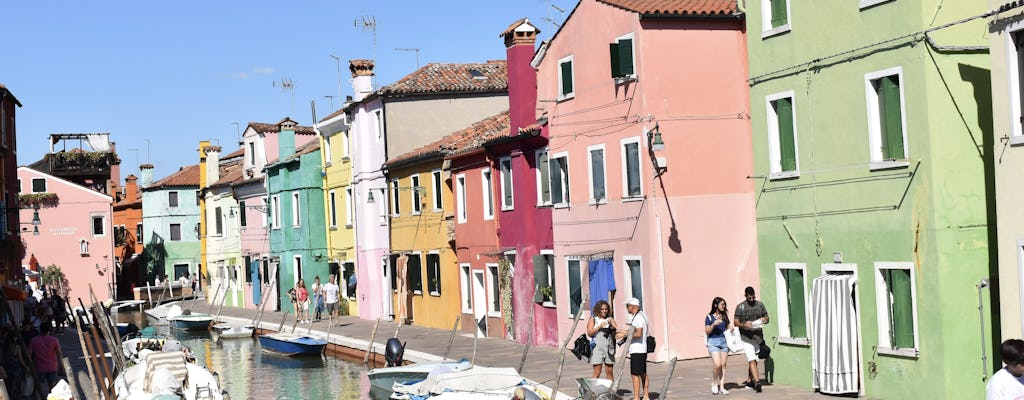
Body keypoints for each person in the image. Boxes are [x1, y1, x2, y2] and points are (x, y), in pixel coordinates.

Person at [735, 286, 769, 393]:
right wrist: (744, 324)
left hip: (757, 338)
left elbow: (767, 318)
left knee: (755, 360)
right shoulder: (740, 307)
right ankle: (757, 382)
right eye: (749, 298)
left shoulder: (760, 305)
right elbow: (735, 322)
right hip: (746, 338)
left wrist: (764, 320)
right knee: (752, 359)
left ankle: (750, 380)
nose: (752, 300)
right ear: (745, 296)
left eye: (753, 297)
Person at [616, 297, 649, 400]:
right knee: (643, 373)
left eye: (627, 306)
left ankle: (636, 397)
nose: (627, 308)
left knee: (635, 374)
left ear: (632, 306)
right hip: (642, 349)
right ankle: (646, 396)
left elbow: (638, 333)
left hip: (637, 350)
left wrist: (623, 335)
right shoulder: (642, 315)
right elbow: (634, 331)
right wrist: (623, 331)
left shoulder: (638, 318)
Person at [706, 297, 732, 395]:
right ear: (716, 305)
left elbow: (728, 326)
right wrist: (713, 324)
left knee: (723, 365)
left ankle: (722, 387)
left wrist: (731, 328)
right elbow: (707, 331)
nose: (724, 306)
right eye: (722, 304)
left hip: (724, 342)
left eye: (724, 304)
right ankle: (714, 383)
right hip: (713, 342)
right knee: (717, 365)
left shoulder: (724, 316)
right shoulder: (709, 317)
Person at [587, 300, 618, 379]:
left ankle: (611, 390)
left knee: (609, 372)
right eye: (602, 309)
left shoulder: (610, 319)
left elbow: (617, 331)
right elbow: (590, 333)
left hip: (609, 347)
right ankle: (594, 390)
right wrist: (599, 327)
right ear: (598, 309)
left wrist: (612, 328)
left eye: (606, 309)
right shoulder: (594, 318)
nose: (604, 311)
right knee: (597, 371)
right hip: (597, 347)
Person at [28, 323, 63, 391]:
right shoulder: (54, 340)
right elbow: (59, 354)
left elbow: (28, 354)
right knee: (52, 387)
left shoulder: (34, 340)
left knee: (38, 388)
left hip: (39, 367)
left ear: (40, 330)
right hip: (52, 366)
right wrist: (61, 366)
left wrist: (29, 366)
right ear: (49, 330)